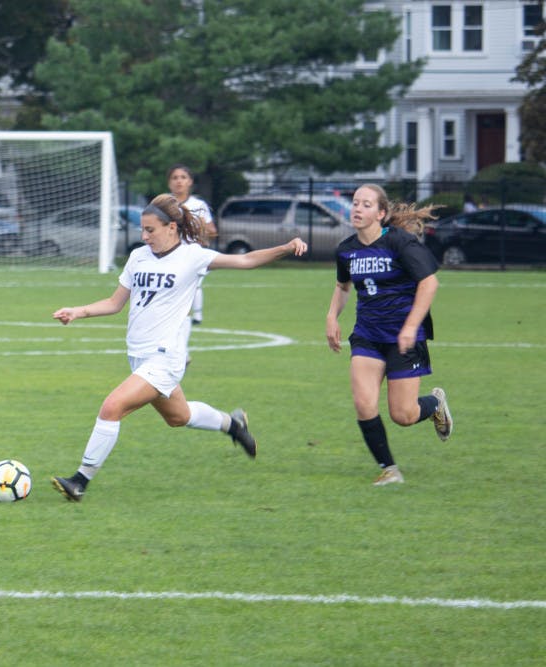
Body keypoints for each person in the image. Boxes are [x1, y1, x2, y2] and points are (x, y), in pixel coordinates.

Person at [50, 193, 307, 502]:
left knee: (112, 407)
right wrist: (78, 311)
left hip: (165, 358)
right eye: (143, 230)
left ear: (171, 227)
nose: (144, 236)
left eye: (150, 230)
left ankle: (80, 481)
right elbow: (115, 303)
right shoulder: (138, 257)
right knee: (179, 417)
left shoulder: (193, 256)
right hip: (139, 356)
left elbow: (245, 260)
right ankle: (232, 424)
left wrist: (285, 247)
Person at [325, 184, 453, 486]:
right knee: (364, 404)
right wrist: (331, 316)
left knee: (403, 415)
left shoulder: (399, 242)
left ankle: (435, 404)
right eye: (355, 203)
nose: (358, 209)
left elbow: (429, 283)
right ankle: (390, 470)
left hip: (403, 337)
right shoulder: (346, 250)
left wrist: (410, 326)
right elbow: (343, 286)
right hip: (368, 335)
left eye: (366, 204)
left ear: (381, 213)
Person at [167, 164, 217, 326]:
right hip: (169, 253)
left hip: (191, 252)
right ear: (169, 183)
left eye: (183, 177)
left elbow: (212, 231)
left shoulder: (198, 205)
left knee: (193, 284)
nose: (179, 181)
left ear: (190, 182)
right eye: (175, 178)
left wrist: (198, 228)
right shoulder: (164, 203)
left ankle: (196, 316)